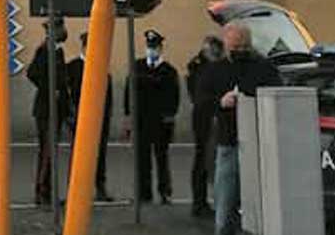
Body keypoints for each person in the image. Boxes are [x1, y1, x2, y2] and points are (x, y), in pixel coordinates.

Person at [200, 23, 282, 235]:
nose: (240, 51)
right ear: (226, 45)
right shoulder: (215, 70)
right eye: (236, 47)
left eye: (244, 46)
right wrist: (221, 101)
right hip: (229, 141)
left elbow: (277, 94)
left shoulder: (264, 68)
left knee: (268, 208)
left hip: (262, 143)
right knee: (225, 207)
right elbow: (201, 100)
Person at [124, 29, 180, 204]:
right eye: (150, 47)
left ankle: (165, 191)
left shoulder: (169, 71)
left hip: (160, 121)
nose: (152, 50)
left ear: (160, 48)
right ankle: (143, 193)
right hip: (141, 120)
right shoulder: (137, 67)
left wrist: (170, 116)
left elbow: (174, 96)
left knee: (162, 158)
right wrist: (128, 115)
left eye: (155, 47)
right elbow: (128, 92)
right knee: (142, 159)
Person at [66, 31, 114, 201]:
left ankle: (100, 186)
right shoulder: (72, 67)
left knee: (99, 154)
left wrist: (106, 117)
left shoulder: (101, 66)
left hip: (99, 119)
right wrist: (70, 115)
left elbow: (108, 96)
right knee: (78, 155)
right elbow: (67, 93)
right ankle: (75, 190)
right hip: (78, 117)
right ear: (85, 47)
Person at [26, 26, 71, 208]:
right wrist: (50, 89)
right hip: (46, 110)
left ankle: (48, 192)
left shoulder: (58, 51)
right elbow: (32, 74)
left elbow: (62, 80)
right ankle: (42, 192)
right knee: (47, 151)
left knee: (51, 152)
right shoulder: (43, 51)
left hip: (57, 109)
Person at [186, 35, 224, 217]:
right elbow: (199, 95)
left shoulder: (202, 66)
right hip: (205, 117)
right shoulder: (201, 67)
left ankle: (202, 202)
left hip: (206, 116)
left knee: (205, 158)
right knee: (203, 158)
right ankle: (199, 202)